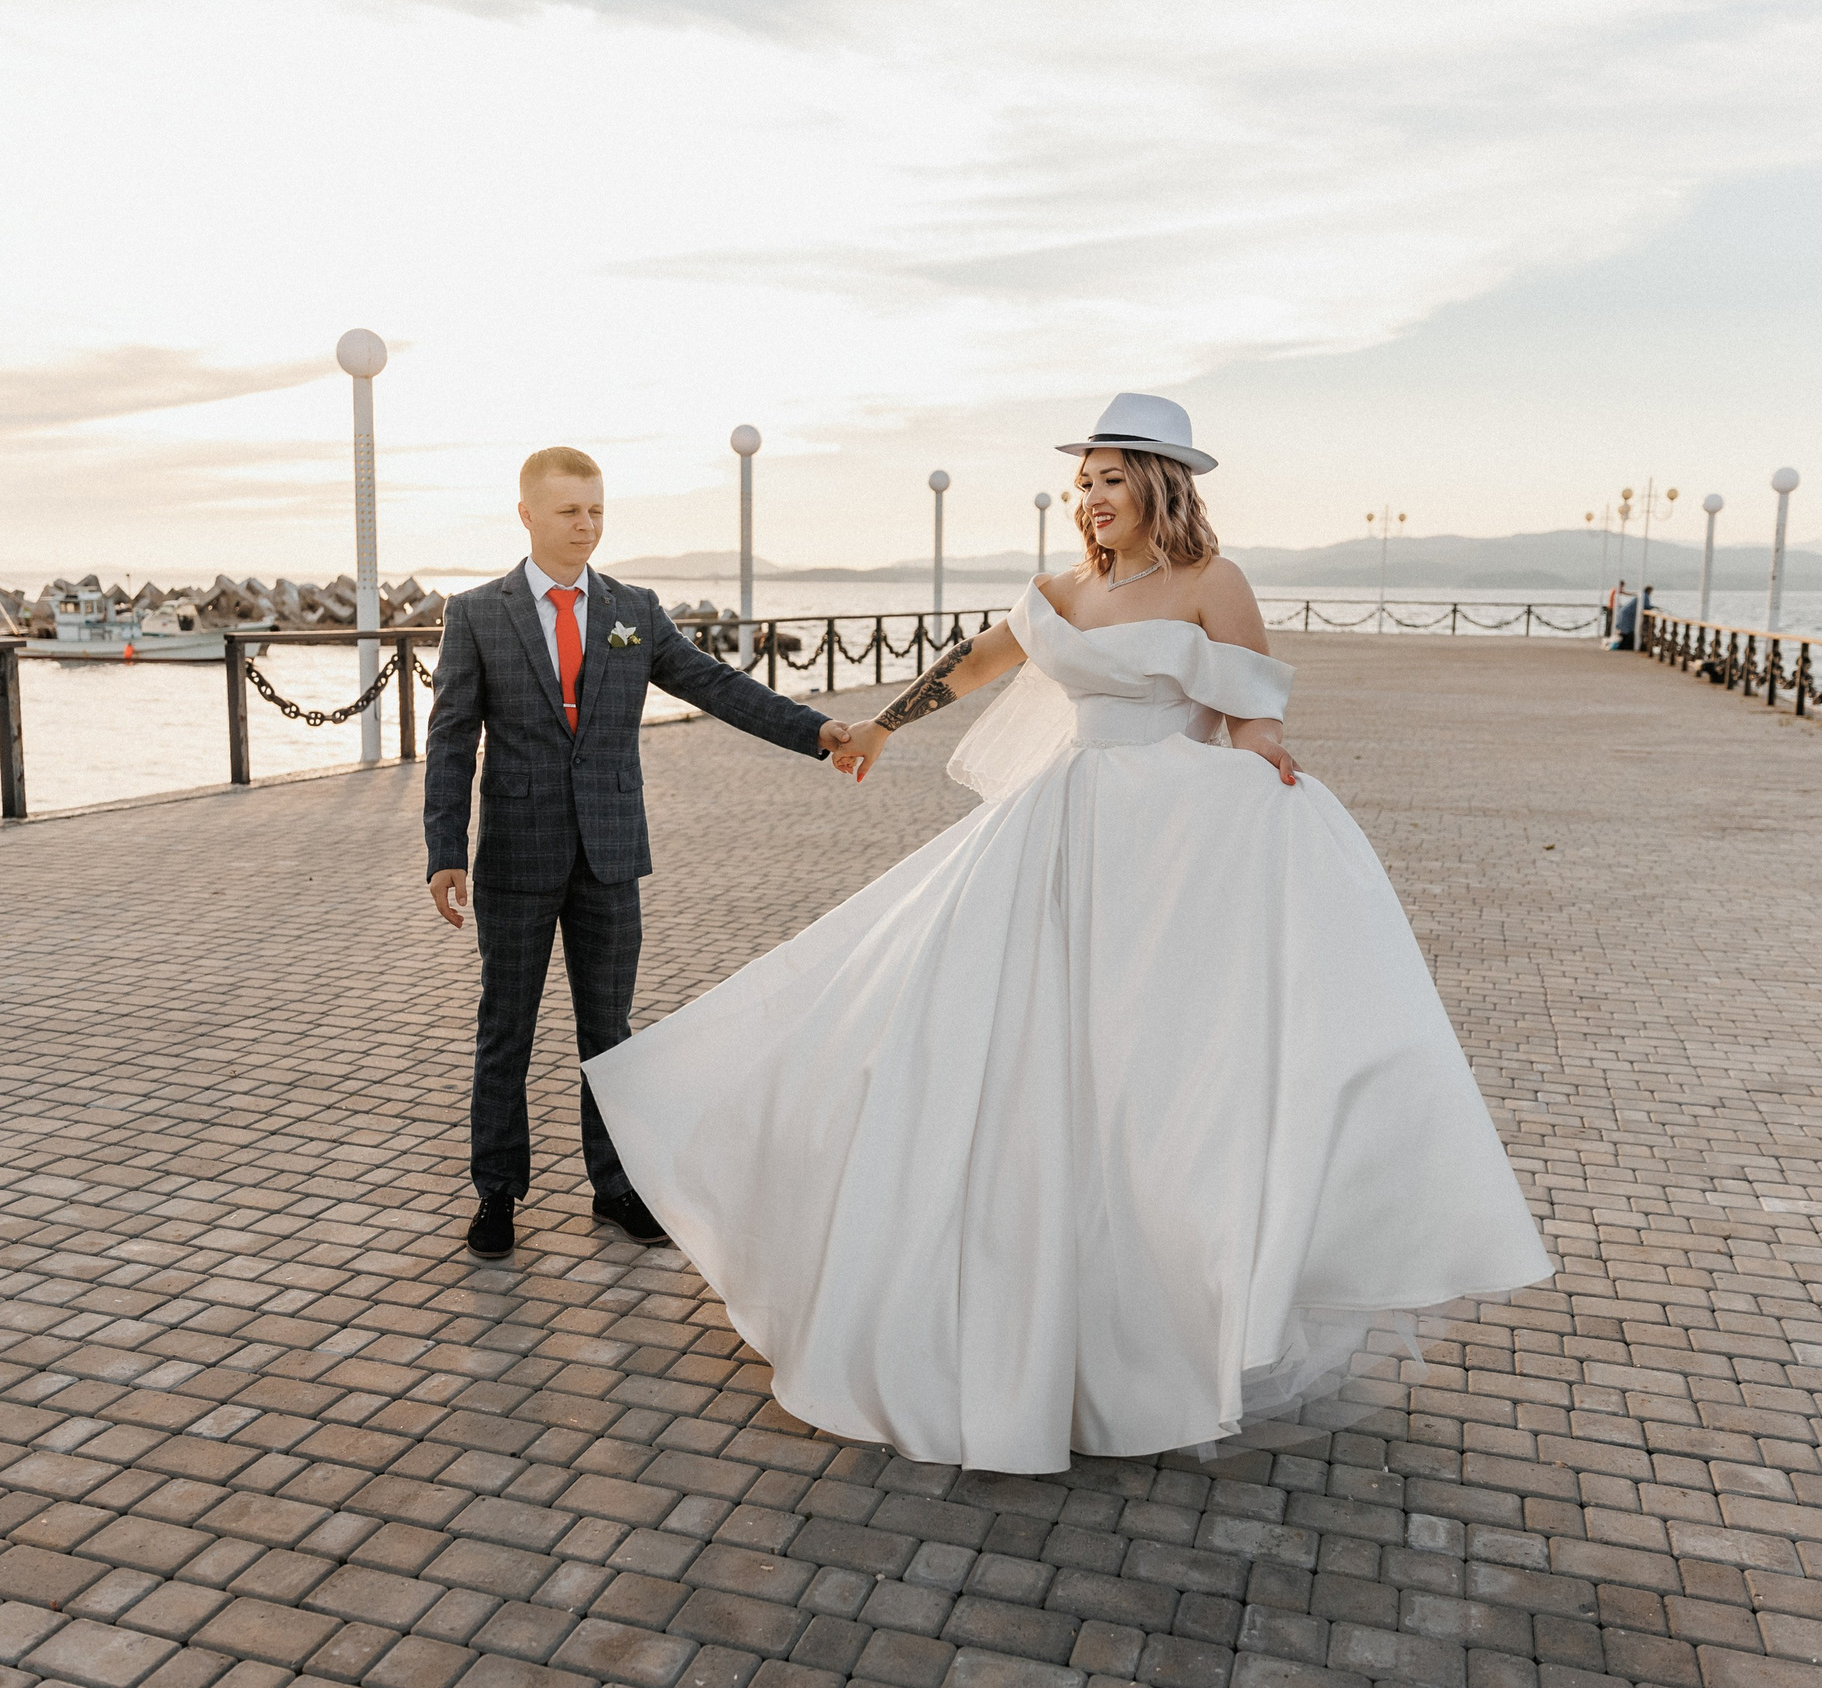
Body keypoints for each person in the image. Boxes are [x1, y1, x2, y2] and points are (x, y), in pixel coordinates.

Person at [583, 395, 1553, 1473]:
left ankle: (1157, 1313)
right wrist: (876, 726)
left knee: (1148, 1073)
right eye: (1079, 481)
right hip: (1057, 832)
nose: (1089, 498)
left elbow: (1249, 709)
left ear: (1158, 485)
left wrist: (1265, 761)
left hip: (1173, 843)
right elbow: (973, 664)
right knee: (967, 1035)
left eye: (1108, 478)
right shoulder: (1057, 590)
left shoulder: (1210, 583)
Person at [423, 447, 854, 1261]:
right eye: (567, 512)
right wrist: (446, 849)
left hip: (611, 854)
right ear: (526, 515)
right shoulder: (477, 613)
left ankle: (615, 1187)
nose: (585, 526)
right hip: (516, 856)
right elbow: (450, 739)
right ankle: (497, 1195)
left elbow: (717, 685)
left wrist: (817, 733)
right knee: (504, 1031)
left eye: (595, 511)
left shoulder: (633, 609)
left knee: (611, 1034)